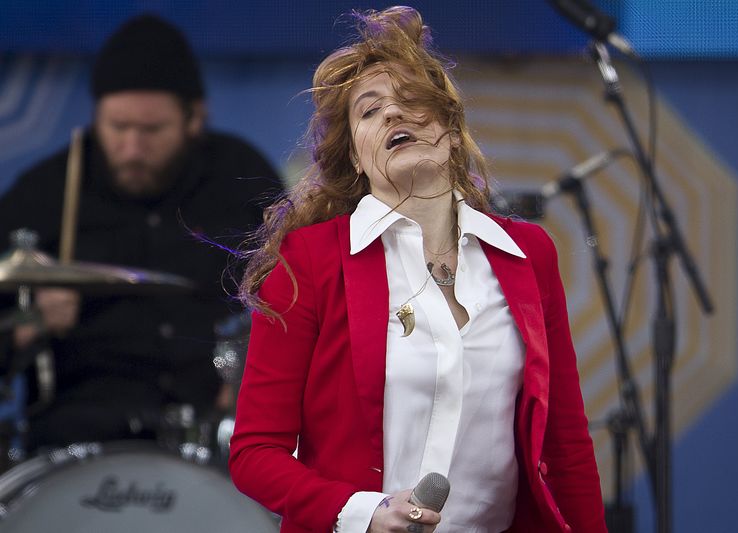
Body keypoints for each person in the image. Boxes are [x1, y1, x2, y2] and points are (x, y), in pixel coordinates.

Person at [229, 6, 605, 533]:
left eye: (410, 102)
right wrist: (362, 512)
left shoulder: (528, 253)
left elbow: (565, 444)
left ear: (451, 130)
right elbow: (255, 452)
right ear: (356, 157)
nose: (391, 115)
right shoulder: (309, 260)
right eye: (369, 110)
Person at [0, 14, 284, 450]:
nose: (132, 147)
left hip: (213, 432)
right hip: (77, 436)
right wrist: (27, 324)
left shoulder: (240, 176)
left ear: (194, 118)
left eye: (151, 130)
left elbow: (301, 294)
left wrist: (253, 370)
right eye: (117, 128)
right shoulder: (44, 193)